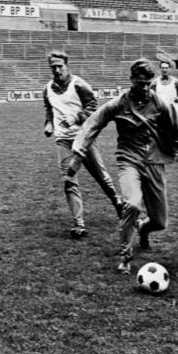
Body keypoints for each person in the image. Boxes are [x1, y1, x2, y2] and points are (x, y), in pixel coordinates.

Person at [68, 58, 178, 274]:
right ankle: (126, 255)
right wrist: (78, 155)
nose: (143, 88)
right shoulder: (118, 103)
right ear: (131, 81)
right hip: (129, 161)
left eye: (147, 84)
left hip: (154, 161)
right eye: (138, 83)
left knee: (160, 221)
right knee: (132, 204)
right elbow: (91, 125)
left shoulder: (160, 103)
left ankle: (144, 228)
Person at [43, 50, 123, 239]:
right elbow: (48, 109)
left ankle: (118, 203)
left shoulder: (79, 84)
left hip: (84, 139)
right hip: (62, 140)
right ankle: (78, 224)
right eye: (53, 67)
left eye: (59, 66)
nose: (56, 70)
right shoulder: (47, 89)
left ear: (66, 65)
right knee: (69, 180)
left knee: (101, 176)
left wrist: (75, 118)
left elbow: (93, 108)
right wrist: (48, 124)